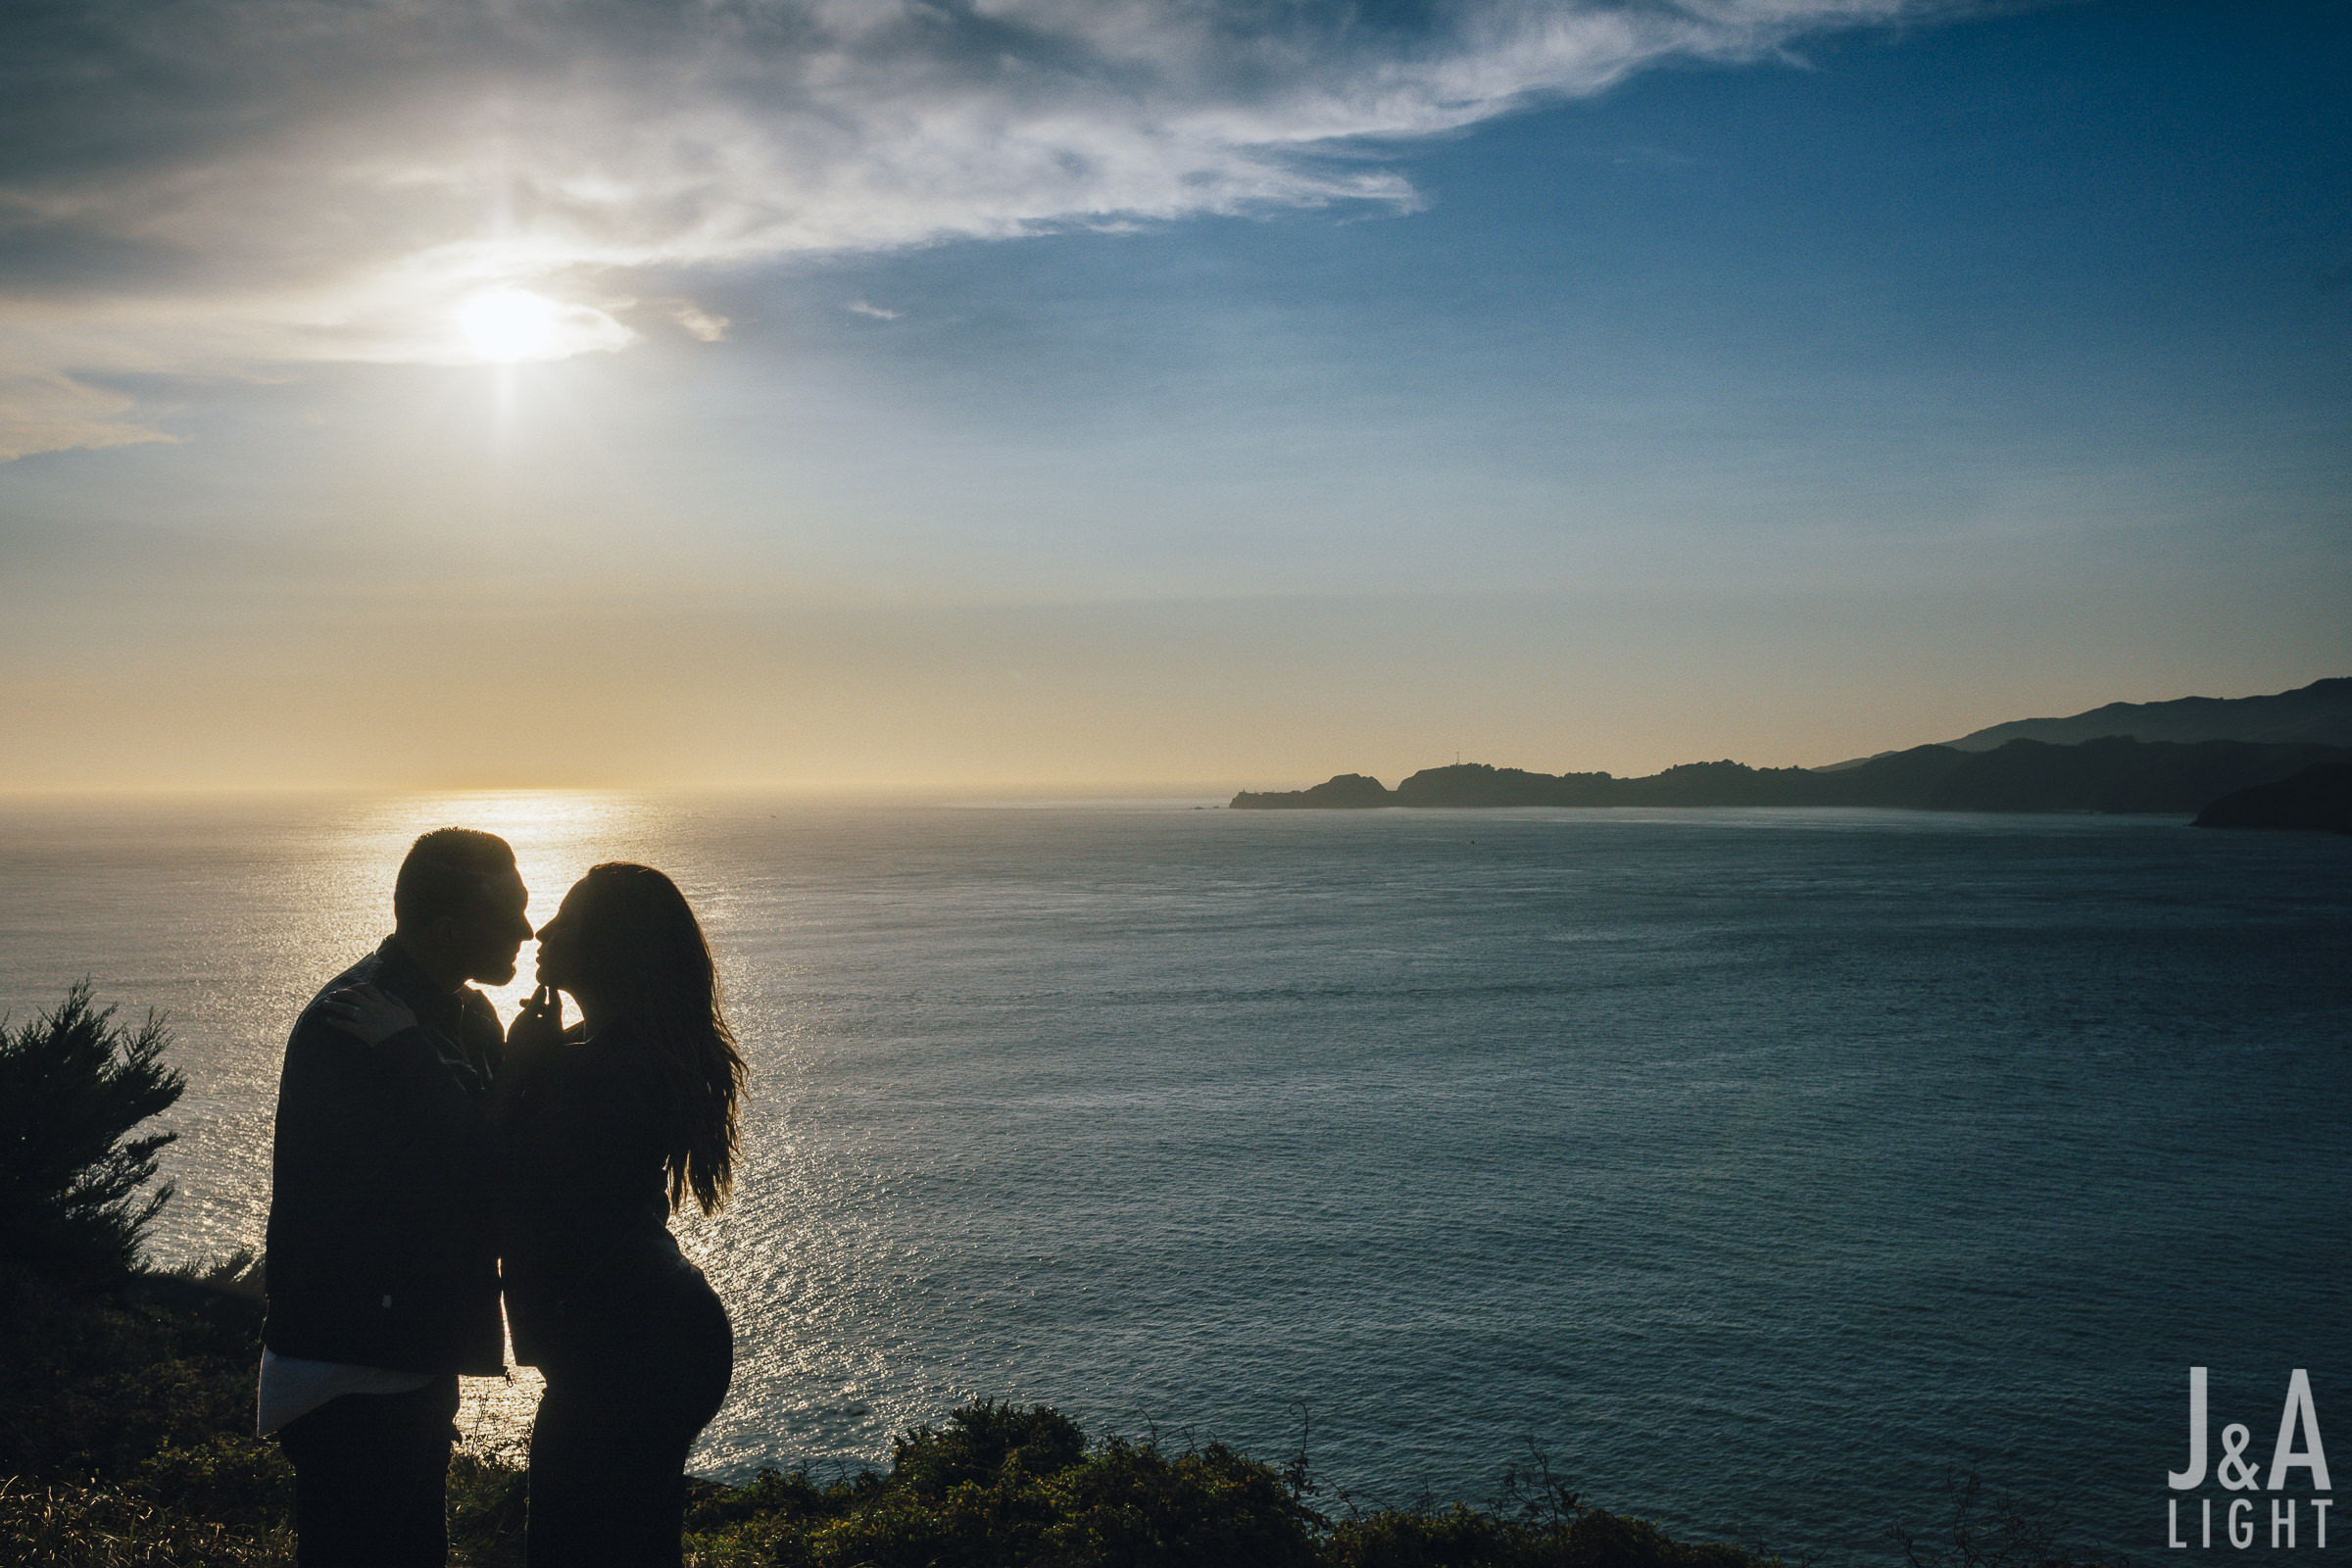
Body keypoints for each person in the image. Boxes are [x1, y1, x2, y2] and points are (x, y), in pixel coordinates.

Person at [261, 827, 532, 1568]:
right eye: (507, 916)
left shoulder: (466, 1015)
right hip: (352, 1365)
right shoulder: (352, 1025)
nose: (526, 929)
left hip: (412, 1353)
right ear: (448, 930)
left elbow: (499, 1146)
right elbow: (479, 1172)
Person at [498, 862, 743, 1568]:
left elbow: (502, 1179)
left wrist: (520, 1072)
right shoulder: (614, 1053)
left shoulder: (600, 1069)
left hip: (627, 1347)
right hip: (647, 1335)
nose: (542, 931)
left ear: (607, 945)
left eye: (565, 923)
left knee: (572, 1547)